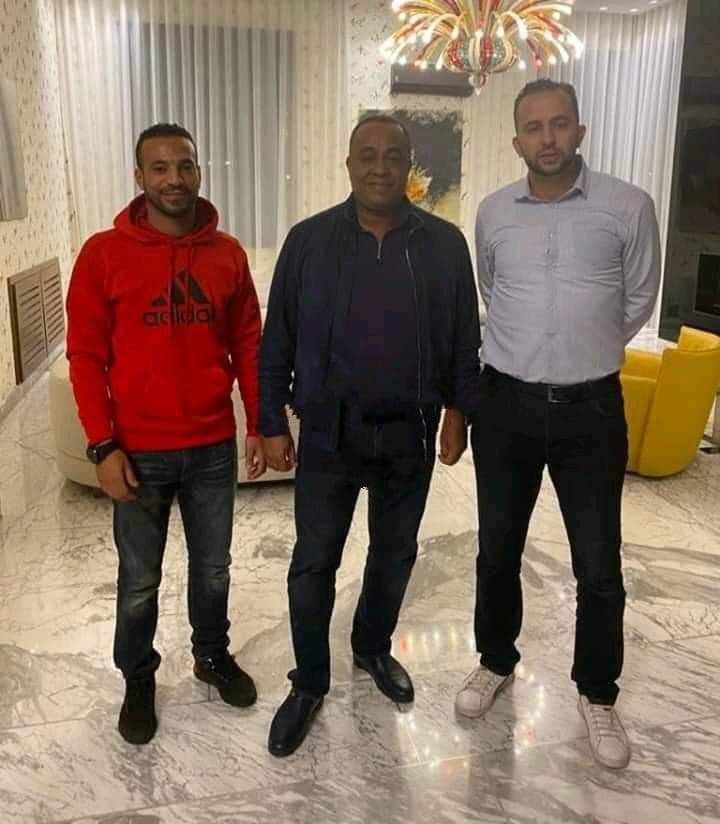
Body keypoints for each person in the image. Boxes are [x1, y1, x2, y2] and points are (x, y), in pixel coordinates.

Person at [260, 114, 482, 757]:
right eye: (367, 155)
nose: (379, 167)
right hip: (329, 433)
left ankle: (372, 646)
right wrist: (270, 420)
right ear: (349, 163)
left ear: (408, 166)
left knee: (395, 553)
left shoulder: (444, 244)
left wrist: (460, 411)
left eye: (392, 155)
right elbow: (278, 339)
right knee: (313, 561)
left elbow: (464, 336)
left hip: (410, 433)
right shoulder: (308, 242)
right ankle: (309, 681)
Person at [455, 80, 661, 770]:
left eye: (559, 124)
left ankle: (598, 692)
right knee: (496, 550)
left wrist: (581, 351)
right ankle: (495, 660)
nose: (547, 138)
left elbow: (637, 299)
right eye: (534, 127)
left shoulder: (629, 206)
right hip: (505, 406)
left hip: (591, 410)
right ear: (516, 139)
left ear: (580, 130)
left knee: (598, 564)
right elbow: (492, 291)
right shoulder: (493, 213)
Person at [66, 122, 265, 745]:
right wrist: (102, 445)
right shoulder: (102, 254)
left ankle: (211, 656)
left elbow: (248, 344)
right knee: (138, 580)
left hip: (210, 445)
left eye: (184, 166)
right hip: (137, 451)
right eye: (160, 167)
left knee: (213, 569)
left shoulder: (227, 254)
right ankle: (138, 677)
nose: (174, 178)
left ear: (199, 171)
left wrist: (261, 422)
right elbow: (85, 357)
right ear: (139, 177)